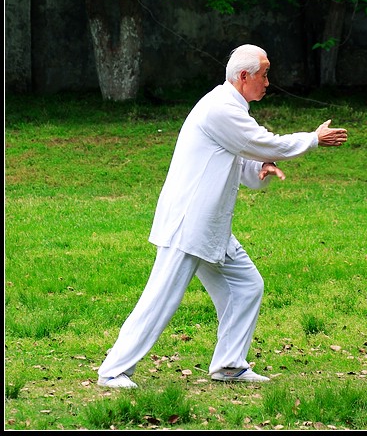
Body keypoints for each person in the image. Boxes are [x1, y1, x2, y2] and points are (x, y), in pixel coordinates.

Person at [97, 44, 348, 388]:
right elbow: (264, 142)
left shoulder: (231, 108)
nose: (268, 82)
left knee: (247, 286)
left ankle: (230, 364)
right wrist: (313, 139)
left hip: (210, 226)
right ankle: (113, 370)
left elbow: (240, 154)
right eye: (264, 74)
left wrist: (259, 168)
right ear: (244, 76)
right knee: (160, 299)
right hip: (189, 224)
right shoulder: (220, 109)